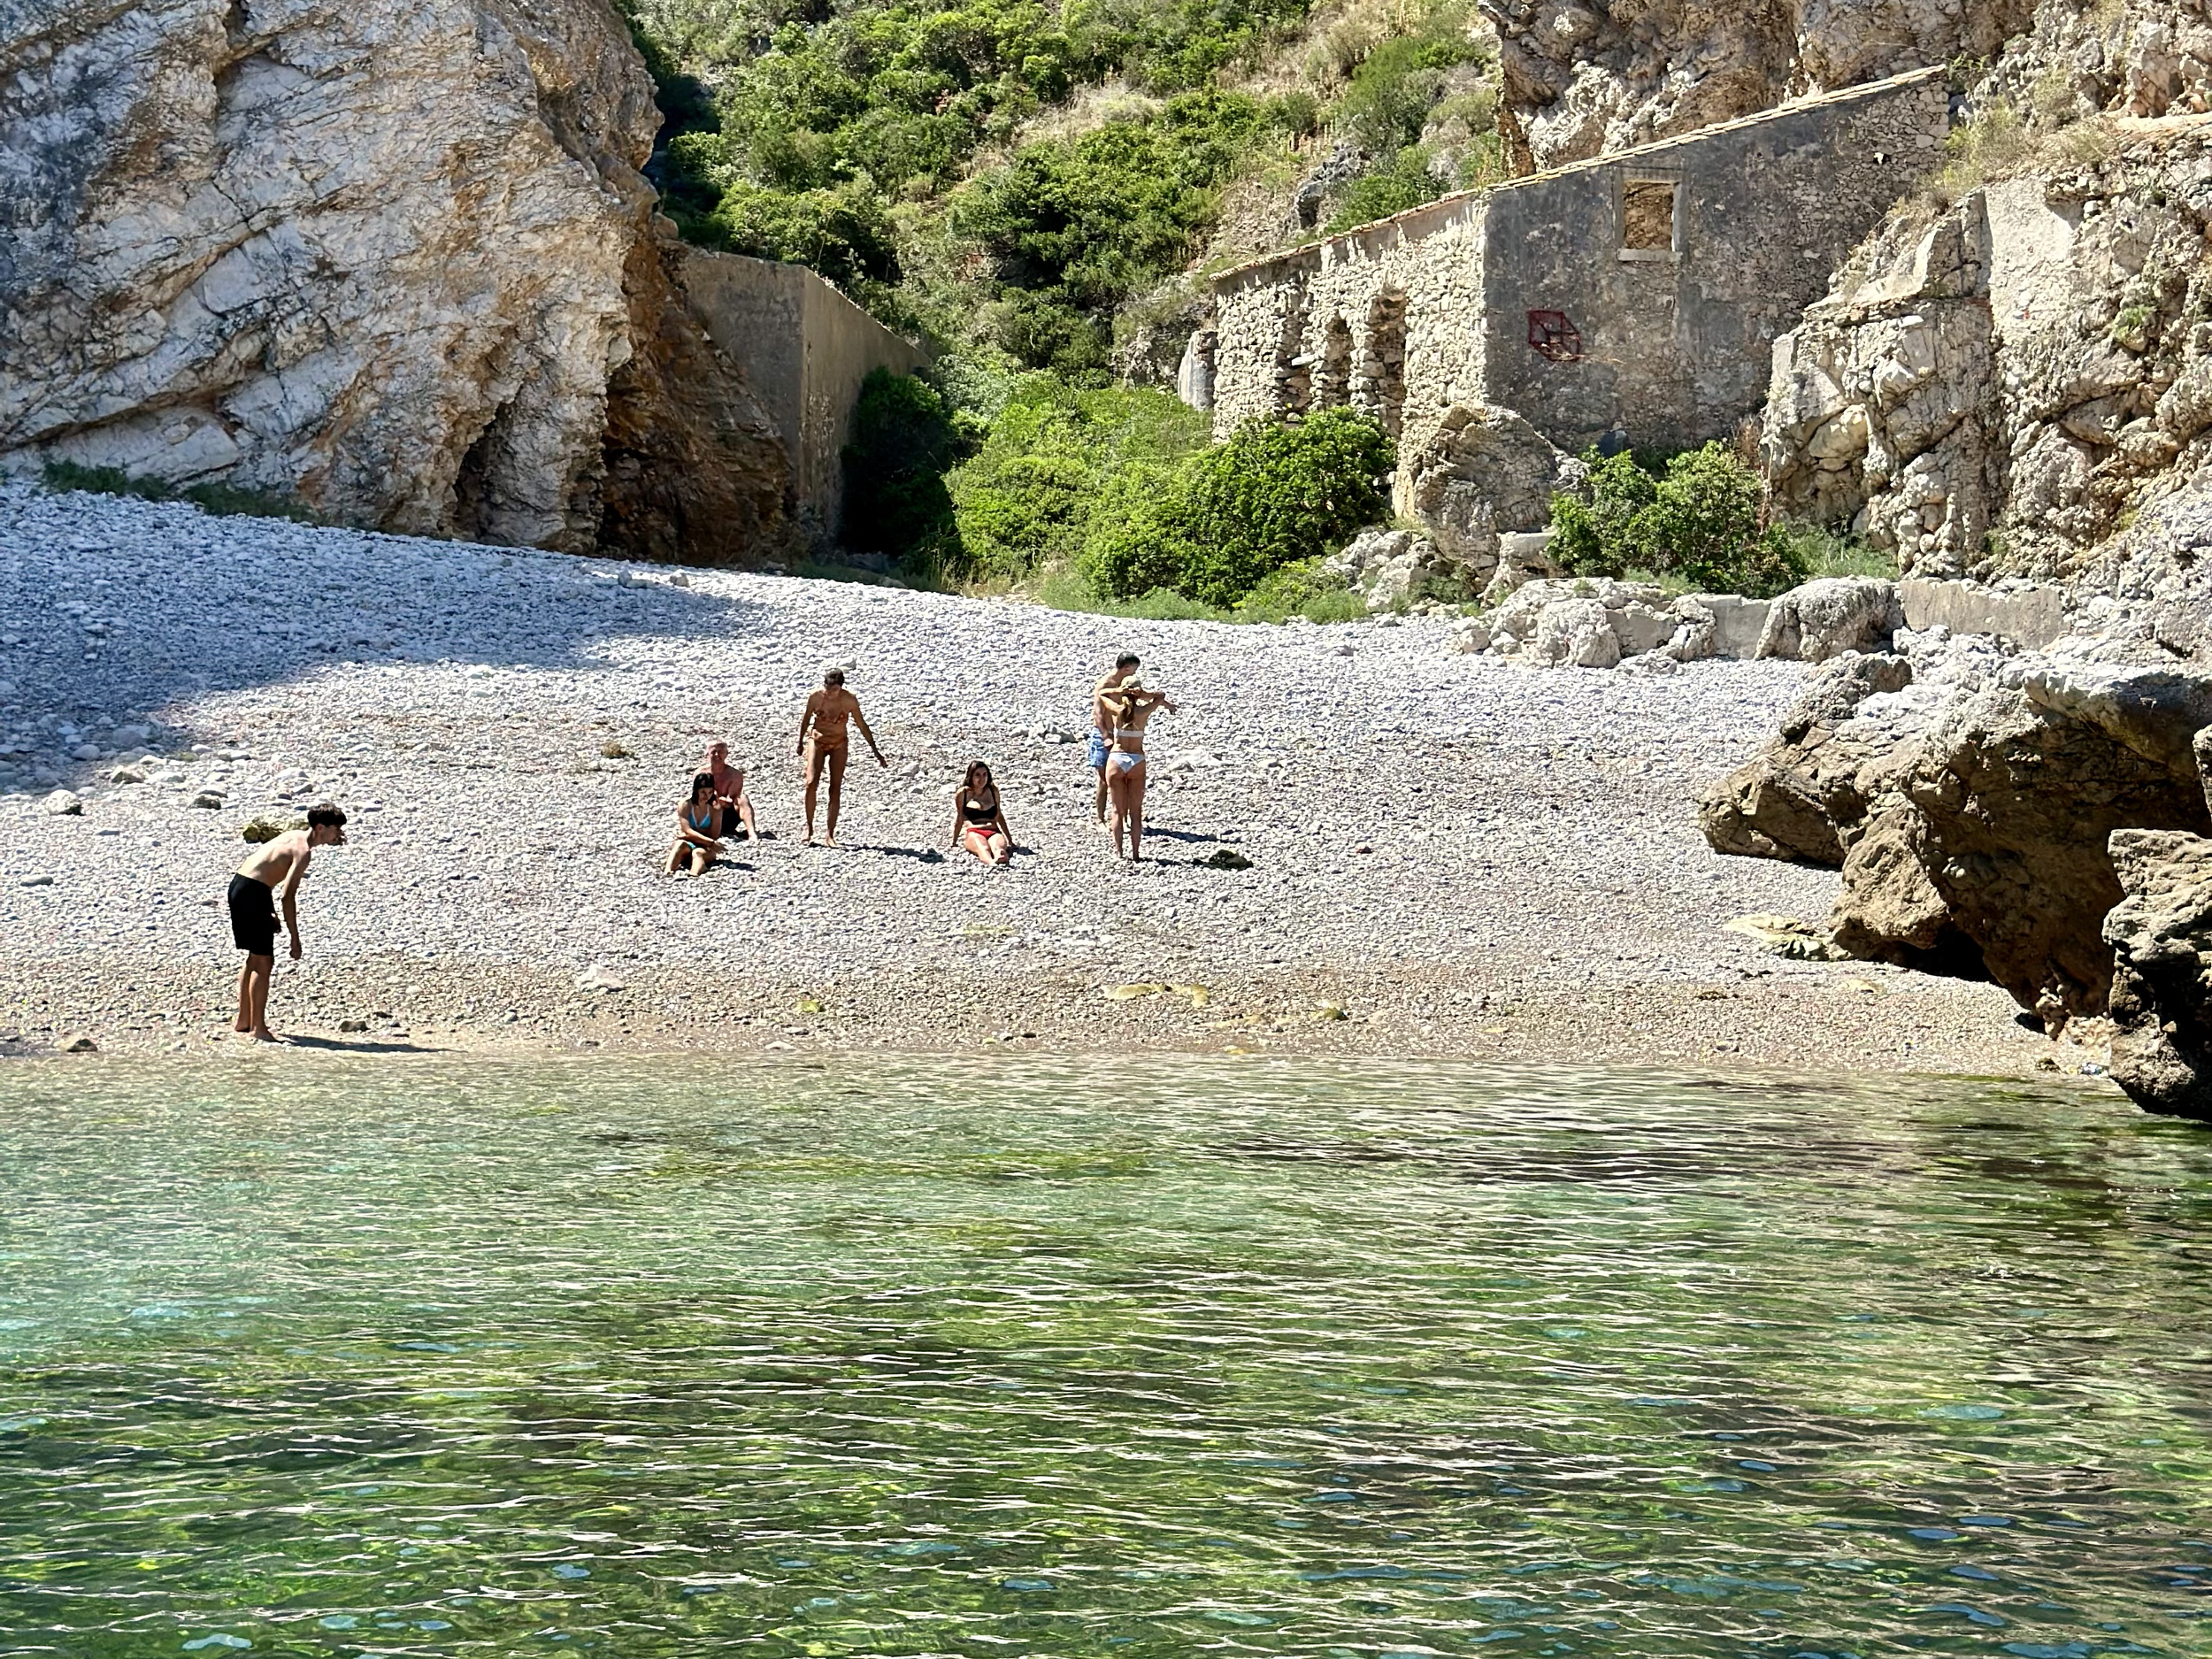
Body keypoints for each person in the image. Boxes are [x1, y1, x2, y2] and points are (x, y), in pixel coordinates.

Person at [228, 802, 347, 1042]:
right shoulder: (303, 852)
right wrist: (295, 938)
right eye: (336, 828)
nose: (339, 833)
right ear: (320, 828)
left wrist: (268, 909)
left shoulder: (293, 835)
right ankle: (259, 1029)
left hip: (241, 886)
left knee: (255, 957)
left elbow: (264, 871)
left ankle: (244, 1020)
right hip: (253, 893)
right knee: (264, 962)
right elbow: (287, 895)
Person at [796, 667, 886, 847]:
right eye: (827, 688)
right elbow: (806, 719)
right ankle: (809, 826)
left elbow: (861, 724)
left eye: (834, 689)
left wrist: (875, 750)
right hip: (817, 740)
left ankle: (830, 833)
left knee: (835, 787)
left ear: (841, 687)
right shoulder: (815, 697)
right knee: (811, 782)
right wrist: (799, 742)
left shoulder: (849, 700)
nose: (830, 692)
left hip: (839, 743)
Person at [1100, 678, 1177, 862]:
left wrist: (1121, 691)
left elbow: (1102, 694)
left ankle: (1119, 852)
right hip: (1136, 759)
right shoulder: (1143, 711)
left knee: (1117, 810)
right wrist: (1144, 694)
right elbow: (1161, 695)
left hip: (1117, 758)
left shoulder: (1118, 710)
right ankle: (1135, 854)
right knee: (1136, 811)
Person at [1090, 652, 1141, 824]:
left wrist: (1166, 704)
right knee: (1105, 779)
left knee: (1123, 779)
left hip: (1121, 736)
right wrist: (1105, 736)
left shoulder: (1127, 684)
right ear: (1126, 668)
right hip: (1103, 734)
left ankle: (1122, 818)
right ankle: (1100, 819)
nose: (1134, 674)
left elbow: (1143, 696)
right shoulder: (1105, 684)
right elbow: (1098, 714)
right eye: (1133, 670)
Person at [949, 760, 1013, 866]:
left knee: (999, 848)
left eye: (985, 774)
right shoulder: (964, 794)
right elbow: (960, 818)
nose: (982, 779)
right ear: (970, 777)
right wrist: (954, 842)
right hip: (974, 831)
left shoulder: (993, 791)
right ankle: (991, 863)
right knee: (983, 848)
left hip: (993, 830)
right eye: (977, 775)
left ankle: (999, 857)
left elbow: (999, 815)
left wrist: (1010, 839)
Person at [665, 772, 728, 876]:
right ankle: (668, 871)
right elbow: (687, 830)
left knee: (697, 853)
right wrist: (707, 840)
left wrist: (691, 836)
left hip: (706, 847)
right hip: (697, 843)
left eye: (710, 792)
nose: (707, 796)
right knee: (680, 845)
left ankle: (694, 874)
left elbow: (714, 835)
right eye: (703, 792)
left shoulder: (715, 809)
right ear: (696, 790)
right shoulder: (686, 805)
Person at [704, 741, 758, 842]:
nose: (717, 755)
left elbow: (732, 798)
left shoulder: (735, 774)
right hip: (708, 816)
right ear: (707, 754)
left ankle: (752, 833)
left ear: (726, 754)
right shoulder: (700, 774)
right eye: (713, 752)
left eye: (720, 752)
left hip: (727, 815)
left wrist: (725, 801)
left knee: (743, 798)